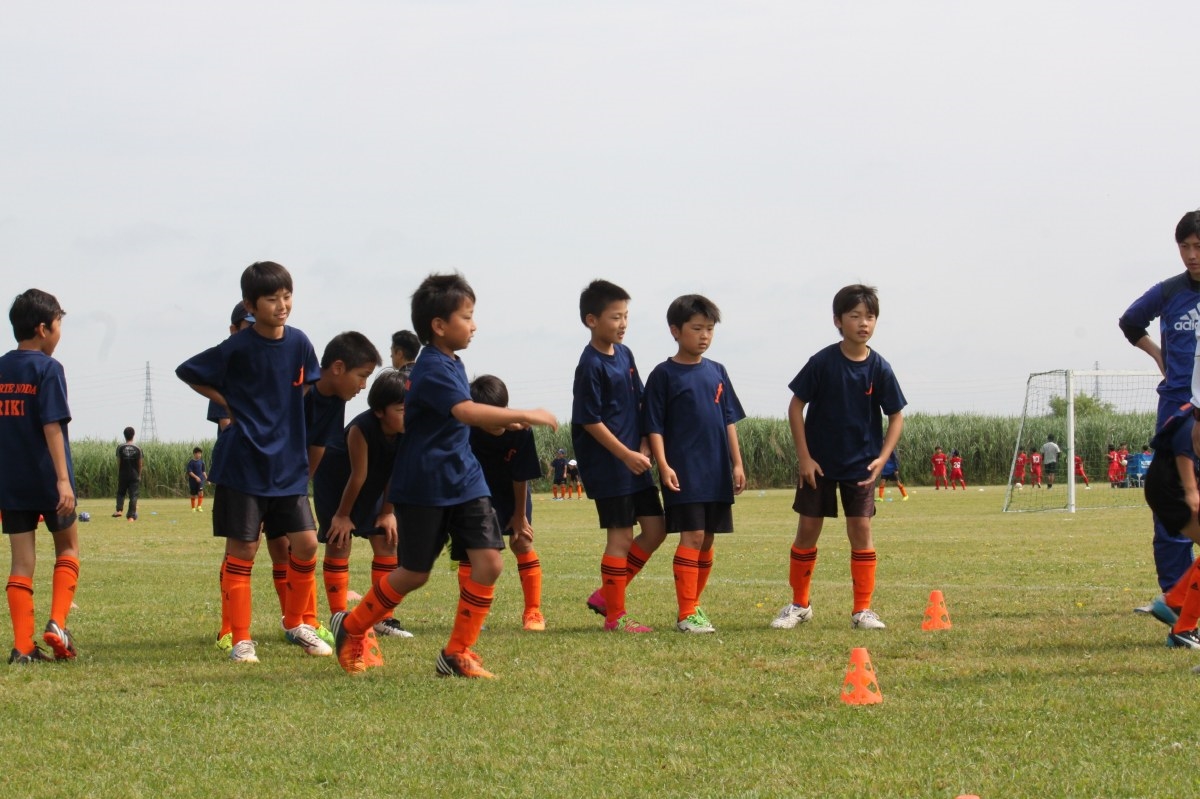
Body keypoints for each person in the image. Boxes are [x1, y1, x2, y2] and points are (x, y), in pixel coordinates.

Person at [330, 273, 557, 678]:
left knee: (490, 562)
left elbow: (460, 419)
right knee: (414, 574)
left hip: (465, 480)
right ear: (438, 325)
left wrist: (502, 423)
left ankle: (457, 653)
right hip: (425, 484)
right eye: (466, 317)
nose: (474, 325)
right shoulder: (432, 367)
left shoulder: (452, 361)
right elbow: (464, 412)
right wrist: (523, 413)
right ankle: (352, 626)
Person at [176, 261, 331, 664]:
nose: (282, 305)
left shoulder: (300, 343)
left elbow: (307, 388)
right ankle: (241, 639)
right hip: (245, 465)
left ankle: (296, 623)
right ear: (250, 305)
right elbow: (188, 371)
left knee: (306, 542)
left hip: (287, 466)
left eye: (287, 296)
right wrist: (230, 401)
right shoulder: (238, 347)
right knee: (244, 548)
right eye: (272, 299)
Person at [770, 284, 905, 631]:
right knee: (807, 529)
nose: (863, 323)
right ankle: (800, 605)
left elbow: (896, 416)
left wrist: (882, 458)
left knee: (861, 529)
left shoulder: (880, 367)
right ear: (838, 321)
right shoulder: (822, 362)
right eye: (855, 316)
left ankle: (863, 610)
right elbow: (795, 406)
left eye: (870, 316)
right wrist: (804, 457)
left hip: (861, 465)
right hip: (818, 465)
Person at [643, 294, 746, 633]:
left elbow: (728, 420)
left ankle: (694, 606)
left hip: (716, 470)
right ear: (675, 330)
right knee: (693, 534)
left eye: (710, 329)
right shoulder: (663, 375)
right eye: (697, 328)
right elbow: (654, 426)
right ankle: (687, 613)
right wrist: (663, 464)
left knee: (708, 538)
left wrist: (737, 464)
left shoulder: (718, 371)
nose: (704, 335)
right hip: (683, 470)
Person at [572, 279, 667, 633]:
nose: (623, 323)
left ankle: (606, 596)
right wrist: (625, 454)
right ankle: (616, 616)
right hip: (610, 466)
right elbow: (589, 420)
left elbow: (640, 401)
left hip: (634, 461)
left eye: (626, 316)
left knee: (656, 530)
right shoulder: (590, 364)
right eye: (615, 317)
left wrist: (643, 443)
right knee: (621, 537)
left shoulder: (625, 355)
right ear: (591, 320)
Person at [1120, 210, 1200, 595]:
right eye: (1184, 247)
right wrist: (1157, 354)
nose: (1192, 255)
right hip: (1177, 412)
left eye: (1198, 246)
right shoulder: (1169, 292)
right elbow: (1130, 322)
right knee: (1173, 506)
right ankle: (1176, 598)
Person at [0, 289, 80, 663]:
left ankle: (22, 646)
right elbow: (52, 426)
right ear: (43, 328)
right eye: (59, 324)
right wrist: (63, 480)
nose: (59, 333)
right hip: (48, 478)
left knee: (21, 562)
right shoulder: (49, 369)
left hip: (10, 482)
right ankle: (57, 624)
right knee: (68, 548)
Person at [314, 367, 412, 640]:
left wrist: (387, 512)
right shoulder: (361, 428)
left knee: (387, 539)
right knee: (339, 541)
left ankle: (382, 618)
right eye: (401, 410)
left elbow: (395, 473)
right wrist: (342, 516)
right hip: (337, 483)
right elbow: (358, 475)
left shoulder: (407, 429)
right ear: (380, 411)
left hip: (373, 481)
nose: (408, 414)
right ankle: (339, 617)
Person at [466, 374, 547, 631]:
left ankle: (533, 612)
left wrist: (519, 516)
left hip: (513, 491)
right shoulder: (466, 431)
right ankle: (471, 614)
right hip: (476, 492)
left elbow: (520, 476)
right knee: (473, 551)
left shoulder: (521, 431)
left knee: (522, 541)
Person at [1140, 404, 1200, 647]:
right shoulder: (1194, 411)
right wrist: (1191, 491)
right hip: (1172, 489)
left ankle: (1175, 602)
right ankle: (1183, 628)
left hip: (1167, 486)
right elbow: (1184, 445)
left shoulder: (1190, 405)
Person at [113, 426, 142, 521]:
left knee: (121, 493)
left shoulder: (120, 447)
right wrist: (139, 475)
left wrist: (119, 472)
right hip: (134, 475)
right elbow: (140, 463)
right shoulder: (138, 448)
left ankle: (119, 510)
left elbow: (119, 462)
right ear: (133, 435)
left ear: (124, 435)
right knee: (133, 495)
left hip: (123, 474)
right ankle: (131, 517)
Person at [187, 447, 208, 511]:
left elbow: (203, 471)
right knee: (193, 494)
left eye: (200, 454)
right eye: (198, 453)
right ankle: (193, 508)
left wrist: (207, 479)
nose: (199, 455)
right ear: (194, 454)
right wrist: (196, 477)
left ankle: (199, 506)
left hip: (201, 480)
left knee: (201, 492)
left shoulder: (202, 462)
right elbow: (190, 472)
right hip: (193, 481)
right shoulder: (191, 462)